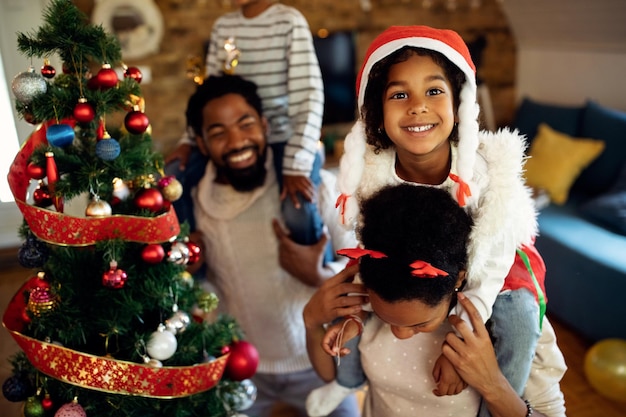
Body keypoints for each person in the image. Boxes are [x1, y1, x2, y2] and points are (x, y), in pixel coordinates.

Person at [307, 25, 548, 416]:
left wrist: (458, 342)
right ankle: (346, 380)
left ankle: (496, 404)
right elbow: (373, 242)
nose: (417, 106)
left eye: (434, 91)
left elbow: (490, 263)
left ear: (459, 103)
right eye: (399, 95)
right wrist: (357, 311)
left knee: (518, 315)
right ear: (376, 112)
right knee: (356, 290)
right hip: (402, 255)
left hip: (488, 262)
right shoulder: (371, 170)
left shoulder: (484, 174)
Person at [304, 184, 567, 417]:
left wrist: (493, 384)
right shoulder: (374, 300)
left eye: (420, 324)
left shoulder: (510, 326)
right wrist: (312, 323)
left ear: (457, 279)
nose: (401, 334)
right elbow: (331, 374)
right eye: (386, 320)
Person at [185, 73, 360, 417]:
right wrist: (190, 272)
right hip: (242, 367)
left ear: (265, 126)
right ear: (202, 145)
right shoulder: (196, 206)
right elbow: (207, 289)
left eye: (245, 123)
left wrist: (319, 273)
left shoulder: (312, 189)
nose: (236, 141)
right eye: (218, 132)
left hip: (320, 361)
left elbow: (364, 265)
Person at [166, 0, 328, 261]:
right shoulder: (223, 26)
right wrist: (189, 139)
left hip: (283, 137)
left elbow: (308, 97)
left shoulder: (289, 21)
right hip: (230, 129)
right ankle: (191, 262)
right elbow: (210, 94)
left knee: (298, 208)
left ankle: (318, 265)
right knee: (172, 177)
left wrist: (296, 165)